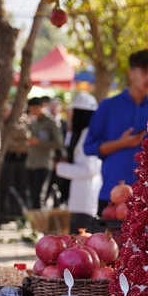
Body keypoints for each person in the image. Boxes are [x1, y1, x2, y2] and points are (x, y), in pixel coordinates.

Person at [83, 49, 148, 213]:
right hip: (111, 197)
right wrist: (122, 143)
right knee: (107, 240)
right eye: (144, 71)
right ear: (131, 73)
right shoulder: (108, 107)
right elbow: (89, 147)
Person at [55, 93, 102, 233]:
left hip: (84, 200)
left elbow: (89, 169)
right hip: (79, 200)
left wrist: (61, 167)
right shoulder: (82, 134)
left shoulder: (89, 136)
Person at [25, 97, 63, 210]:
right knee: (31, 196)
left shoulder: (51, 122)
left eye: (35, 108)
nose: (33, 111)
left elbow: (59, 143)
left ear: (42, 107)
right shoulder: (33, 122)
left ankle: (40, 224)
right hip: (31, 163)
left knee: (39, 196)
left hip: (43, 164)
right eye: (31, 109)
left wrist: (39, 143)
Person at [0, 103, 31, 223]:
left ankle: (21, 217)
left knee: (22, 189)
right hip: (8, 159)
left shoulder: (24, 122)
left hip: (22, 159)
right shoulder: (2, 123)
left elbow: (29, 140)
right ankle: (2, 216)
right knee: (4, 188)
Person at [46, 97, 71, 208]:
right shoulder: (45, 123)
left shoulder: (66, 125)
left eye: (56, 106)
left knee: (62, 187)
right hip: (48, 160)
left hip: (63, 161)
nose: (53, 108)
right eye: (51, 106)